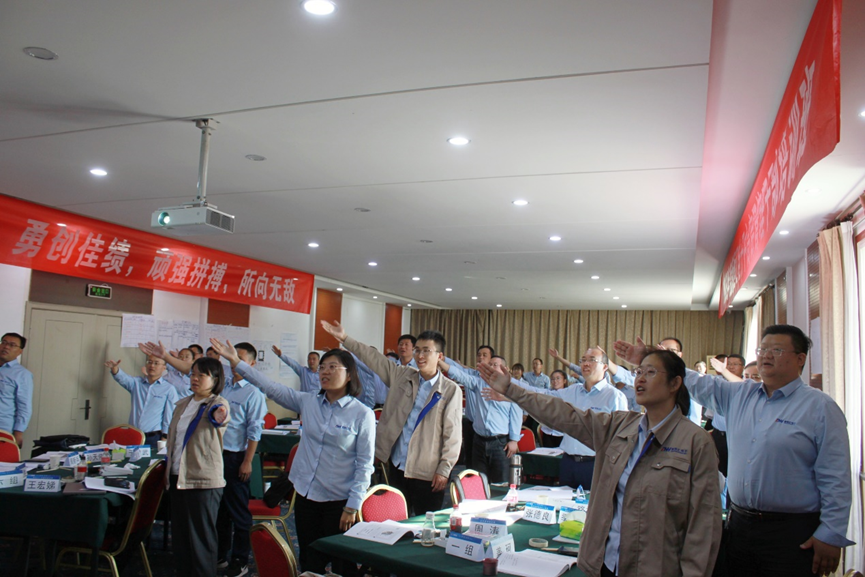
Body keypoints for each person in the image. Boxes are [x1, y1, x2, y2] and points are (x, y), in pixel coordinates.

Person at [614, 325, 855, 577]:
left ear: (800, 359)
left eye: (776, 350)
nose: (766, 355)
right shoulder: (740, 394)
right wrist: (647, 358)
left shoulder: (819, 407)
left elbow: (835, 476)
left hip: (791, 533)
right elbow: (693, 381)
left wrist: (831, 533)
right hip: (739, 526)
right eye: (762, 349)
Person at [479, 349, 721, 577]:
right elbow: (562, 414)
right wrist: (511, 389)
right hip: (607, 563)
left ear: (675, 383)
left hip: (656, 568)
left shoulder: (695, 442)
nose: (640, 379)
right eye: (639, 371)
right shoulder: (620, 426)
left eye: (650, 372)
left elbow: (704, 526)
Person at [210, 339, 374, 575]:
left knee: (342, 564)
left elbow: (364, 464)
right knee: (309, 559)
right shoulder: (308, 401)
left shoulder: (362, 414)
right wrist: (236, 362)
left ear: (349, 375)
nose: (325, 372)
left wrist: (353, 505)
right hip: (307, 494)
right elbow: (271, 387)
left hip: (339, 501)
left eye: (332, 367)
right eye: (322, 367)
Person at [321, 321, 462, 516]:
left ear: (439, 356)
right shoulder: (403, 375)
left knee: (426, 524)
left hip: (426, 472)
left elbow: (452, 435)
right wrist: (345, 338)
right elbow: (374, 359)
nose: (420, 356)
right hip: (397, 465)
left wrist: (444, 469)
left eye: (426, 351)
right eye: (417, 350)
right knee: (395, 522)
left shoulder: (449, 390)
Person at [517, 348, 628, 489]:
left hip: (595, 465)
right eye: (583, 360)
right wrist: (509, 386)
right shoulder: (573, 391)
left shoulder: (614, 396)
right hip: (568, 462)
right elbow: (542, 394)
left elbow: (621, 438)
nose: (585, 364)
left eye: (592, 360)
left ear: (605, 367)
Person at [165, 357, 230, 577]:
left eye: (201, 375)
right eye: (192, 374)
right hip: (178, 476)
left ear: (215, 379)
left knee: (201, 540)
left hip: (203, 480)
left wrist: (219, 416)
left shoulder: (217, 403)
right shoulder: (183, 404)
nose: (195, 378)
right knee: (181, 538)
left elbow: (219, 416)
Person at [216, 342, 267, 577]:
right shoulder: (223, 386)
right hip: (216, 456)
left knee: (239, 512)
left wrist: (248, 461)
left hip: (237, 457)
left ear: (252, 364)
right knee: (219, 510)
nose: (234, 363)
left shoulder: (253, 393)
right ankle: (220, 554)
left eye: (240, 359)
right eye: (231, 358)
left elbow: (254, 430)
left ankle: (240, 559)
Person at [439, 355, 521, 483]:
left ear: (504, 368)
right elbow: (460, 375)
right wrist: (440, 362)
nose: (491, 367)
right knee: (479, 481)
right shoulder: (479, 382)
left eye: (495, 365)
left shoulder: (512, 388)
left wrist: (514, 440)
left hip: (500, 443)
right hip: (479, 441)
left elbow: (516, 414)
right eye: (490, 364)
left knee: (501, 482)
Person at [104, 355, 179, 449]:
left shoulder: (169, 389)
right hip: (133, 435)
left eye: (156, 363)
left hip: (154, 437)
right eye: (149, 362)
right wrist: (114, 368)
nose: (152, 365)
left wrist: (165, 436)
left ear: (164, 367)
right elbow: (123, 378)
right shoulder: (137, 383)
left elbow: (170, 415)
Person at [0, 332, 33, 446]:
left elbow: (24, 406)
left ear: (20, 351)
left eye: (12, 345)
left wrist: (18, 432)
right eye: (4, 342)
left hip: (3, 430)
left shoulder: (22, 375)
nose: (6, 347)